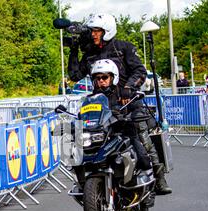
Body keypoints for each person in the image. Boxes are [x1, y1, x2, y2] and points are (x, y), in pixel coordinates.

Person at [68, 13, 171, 195]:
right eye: (92, 31)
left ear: (107, 31)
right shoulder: (90, 53)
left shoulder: (123, 48)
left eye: (97, 31)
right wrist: (74, 50)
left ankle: (158, 174)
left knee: (140, 136)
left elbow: (140, 71)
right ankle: (88, 179)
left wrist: (129, 87)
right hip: (103, 106)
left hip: (128, 102)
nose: (93, 35)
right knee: (89, 138)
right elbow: (75, 75)